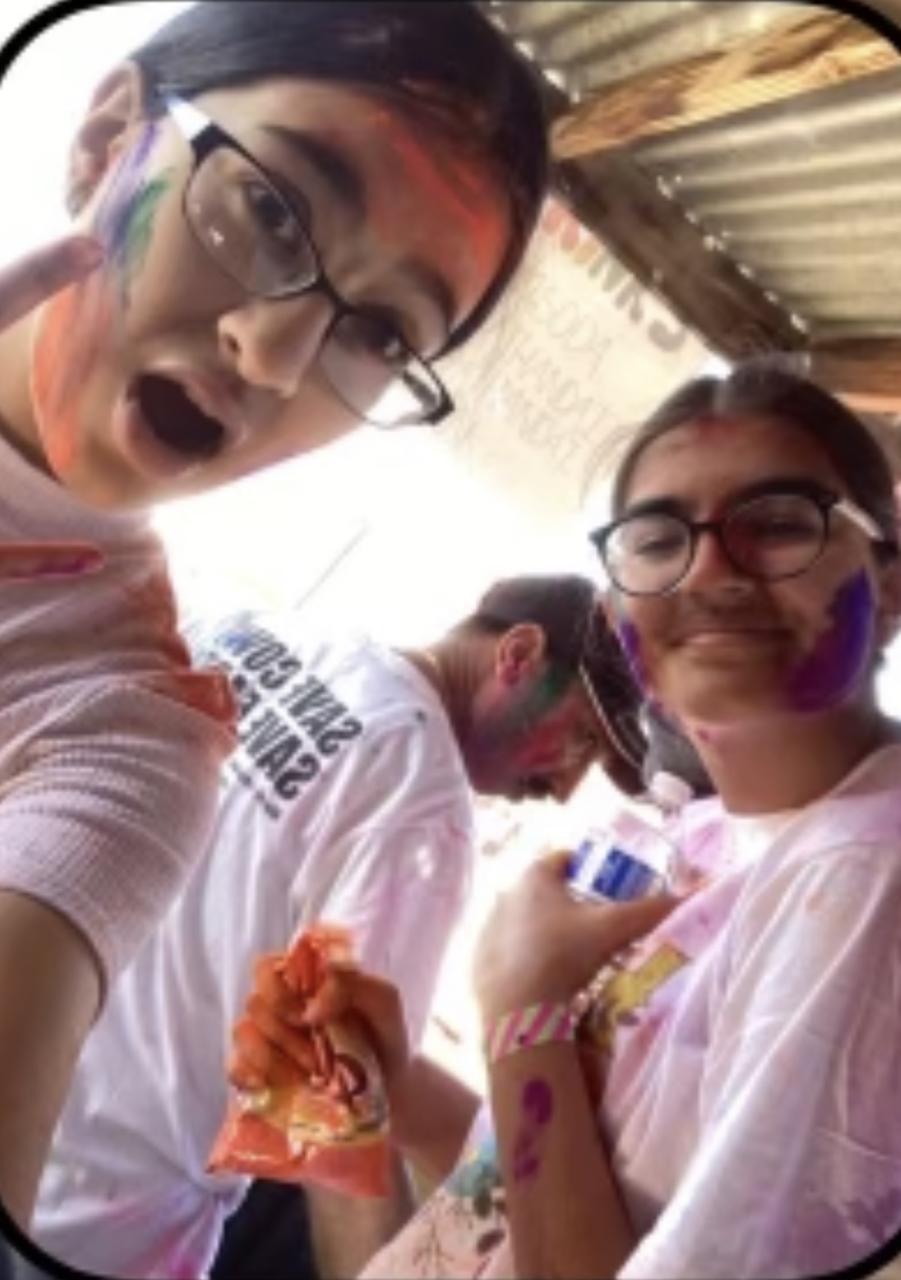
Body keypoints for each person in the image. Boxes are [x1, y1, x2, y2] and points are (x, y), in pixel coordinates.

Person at [0, 0, 548, 1229]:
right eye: (272, 211)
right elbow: (313, 1123)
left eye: (379, 332)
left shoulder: (137, 731)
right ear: (107, 135)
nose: (277, 356)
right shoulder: (421, 807)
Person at [232, 359, 901, 1279]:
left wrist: (522, 1011)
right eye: (657, 539)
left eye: (780, 523)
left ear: (888, 580)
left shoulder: (864, 877)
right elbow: (529, 1183)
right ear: (617, 603)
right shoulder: (711, 843)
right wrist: (385, 1074)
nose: (708, 567)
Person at [30, 573, 648, 1280]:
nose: (566, 787)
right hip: (97, 1215)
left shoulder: (249, 632)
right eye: (581, 739)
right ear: (517, 655)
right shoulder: (419, 805)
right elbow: (334, 1097)